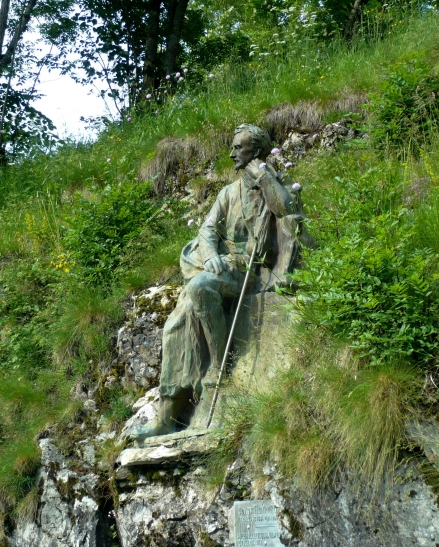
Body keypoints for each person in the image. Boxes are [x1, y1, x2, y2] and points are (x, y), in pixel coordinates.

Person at [129, 124, 312, 440]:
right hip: (222, 267)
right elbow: (207, 231)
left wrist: (266, 177)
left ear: (254, 151)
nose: (231, 153)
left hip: (253, 270)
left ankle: (219, 368)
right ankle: (168, 414)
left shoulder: (275, 184)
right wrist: (211, 253)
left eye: (238, 147)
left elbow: (288, 211)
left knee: (200, 287)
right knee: (177, 324)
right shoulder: (228, 193)